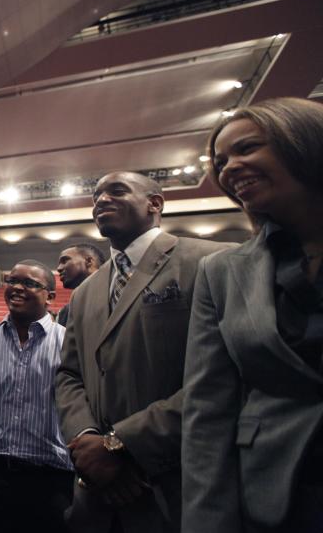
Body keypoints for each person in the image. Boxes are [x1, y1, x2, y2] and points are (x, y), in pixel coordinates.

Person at [55, 171, 233, 533]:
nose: (101, 200)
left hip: (176, 485)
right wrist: (89, 441)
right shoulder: (85, 292)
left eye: (117, 191)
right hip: (97, 494)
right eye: (96, 196)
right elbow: (69, 375)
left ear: (155, 203)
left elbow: (226, 375)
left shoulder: (212, 261)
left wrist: (122, 445)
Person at [182, 97, 323, 532]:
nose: (228, 169)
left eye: (246, 149)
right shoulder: (221, 271)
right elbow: (208, 410)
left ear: (305, 142)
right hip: (279, 496)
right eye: (220, 161)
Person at [0, 260, 73, 533]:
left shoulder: (68, 343)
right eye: (12, 281)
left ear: (51, 296)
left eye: (30, 284)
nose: (17, 288)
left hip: (52, 484)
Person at [54, 244, 105, 326]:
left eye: (64, 261)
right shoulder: (65, 313)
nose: (59, 268)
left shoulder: (116, 295)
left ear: (88, 261)